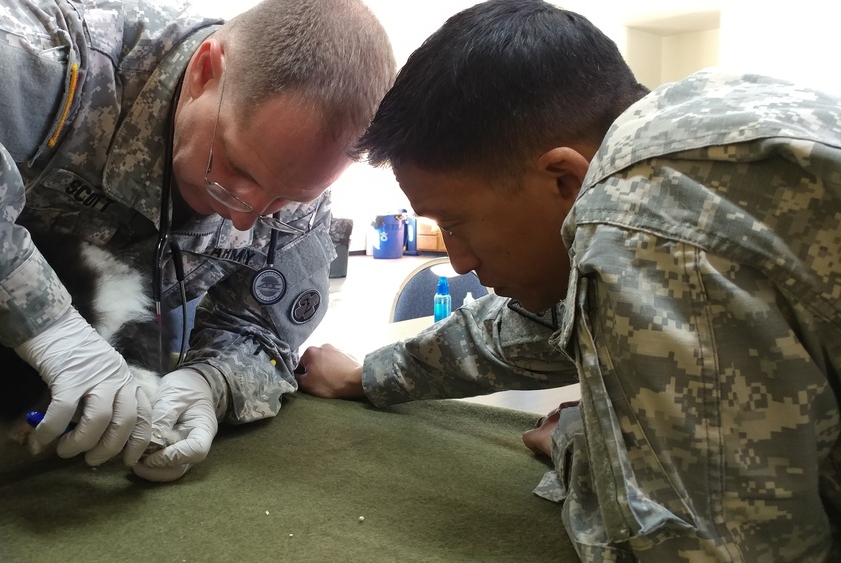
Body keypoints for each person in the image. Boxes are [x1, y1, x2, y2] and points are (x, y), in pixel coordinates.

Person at [296, 0, 841, 560]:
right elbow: (543, 324)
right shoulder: (697, 123)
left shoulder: (638, 226)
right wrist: (371, 376)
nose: (456, 261)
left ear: (563, 179)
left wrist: (584, 449)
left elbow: (711, 549)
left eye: (455, 225)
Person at [0, 0, 395, 482]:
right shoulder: (42, 58)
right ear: (206, 72)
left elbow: (260, 327)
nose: (248, 217)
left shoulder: (296, 189)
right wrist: (44, 320)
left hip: (116, 346)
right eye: (234, 169)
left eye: (284, 198)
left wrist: (208, 384)